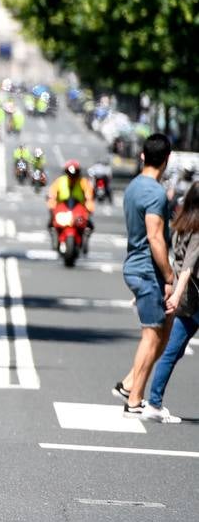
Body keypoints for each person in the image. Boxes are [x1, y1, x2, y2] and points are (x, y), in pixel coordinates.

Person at [114, 133, 175, 417]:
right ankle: (134, 401)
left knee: (162, 328)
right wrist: (169, 276)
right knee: (152, 335)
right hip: (147, 270)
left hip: (135, 266)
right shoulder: (154, 192)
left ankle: (128, 385)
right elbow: (155, 236)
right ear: (167, 159)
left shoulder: (134, 186)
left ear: (142, 156)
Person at [145, 182, 199, 422]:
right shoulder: (198, 229)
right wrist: (177, 295)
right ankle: (154, 403)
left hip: (185, 297)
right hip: (192, 297)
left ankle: (154, 401)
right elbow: (189, 265)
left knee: (171, 352)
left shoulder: (181, 224)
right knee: (171, 352)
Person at [46, 159, 95, 251]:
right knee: (51, 224)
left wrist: (89, 209)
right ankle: (55, 238)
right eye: (70, 173)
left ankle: (84, 242)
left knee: (89, 226)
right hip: (62, 208)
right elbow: (52, 195)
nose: (72, 177)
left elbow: (89, 198)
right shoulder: (59, 181)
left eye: (75, 173)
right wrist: (52, 207)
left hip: (78, 210)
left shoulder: (83, 182)